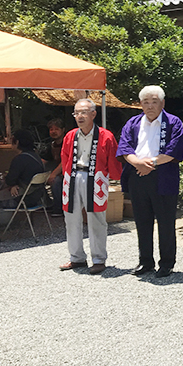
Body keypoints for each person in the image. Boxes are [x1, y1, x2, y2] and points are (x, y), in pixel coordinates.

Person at [116, 85, 183, 278]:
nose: (150, 106)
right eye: (145, 102)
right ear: (140, 104)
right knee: (142, 221)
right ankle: (145, 261)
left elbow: (173, 150)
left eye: (154, 102)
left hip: (163, 176)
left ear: (162, 103)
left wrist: (151, 163)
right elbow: (124, 147)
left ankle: (167, 263)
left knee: (165, 222)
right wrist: (138, 163)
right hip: (138, 175)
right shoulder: (133, 122)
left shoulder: (173, 122)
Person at [59, 99, 122, 275]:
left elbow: (113, 159)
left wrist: (115, 178)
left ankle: (98, 258)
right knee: (71, 218)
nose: (79, 116)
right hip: (72, 177)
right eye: (76, 113)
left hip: (96, 177)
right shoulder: (70, 135)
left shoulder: (105, 136)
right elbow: (65, 158)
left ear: (93, 114)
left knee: (97, 219)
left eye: (83, 112)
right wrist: (66, 176)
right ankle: (76, 257)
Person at [0, 130, 45, 238]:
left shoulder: (19, 159)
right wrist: (13, 184)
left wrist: (12, 183)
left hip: (22, 199)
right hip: (36, 196)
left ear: (17, 142)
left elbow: (9, 180)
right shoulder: (35, 156)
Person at [40, 118, 66, 216]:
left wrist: (53, 174)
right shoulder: (52, 145)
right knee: (39, 179)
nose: (53, 131)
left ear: (63, 130)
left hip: (70, 171)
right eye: (51, 129)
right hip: (58, 172)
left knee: (56, 181)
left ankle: (59, 208)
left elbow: (65, 162)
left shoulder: (68, 143)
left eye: (56, 129)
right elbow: (44, 159)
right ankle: (48, 203)